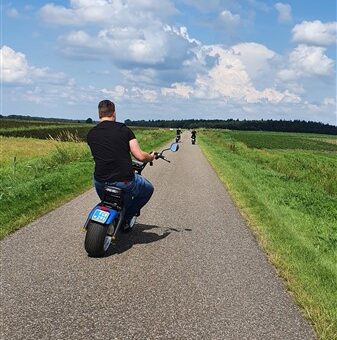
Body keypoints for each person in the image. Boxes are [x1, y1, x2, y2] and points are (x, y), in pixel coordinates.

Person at [87, 99, 155, 230]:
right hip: (124, 181)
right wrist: (151, 157)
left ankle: (111, 213)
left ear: (99, 114)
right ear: (114, 113)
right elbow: (140, 156)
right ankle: (127, 218)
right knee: (148, 189)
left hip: (100, 181)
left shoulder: (91, 133)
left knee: (107, 200)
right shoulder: (125, 130)